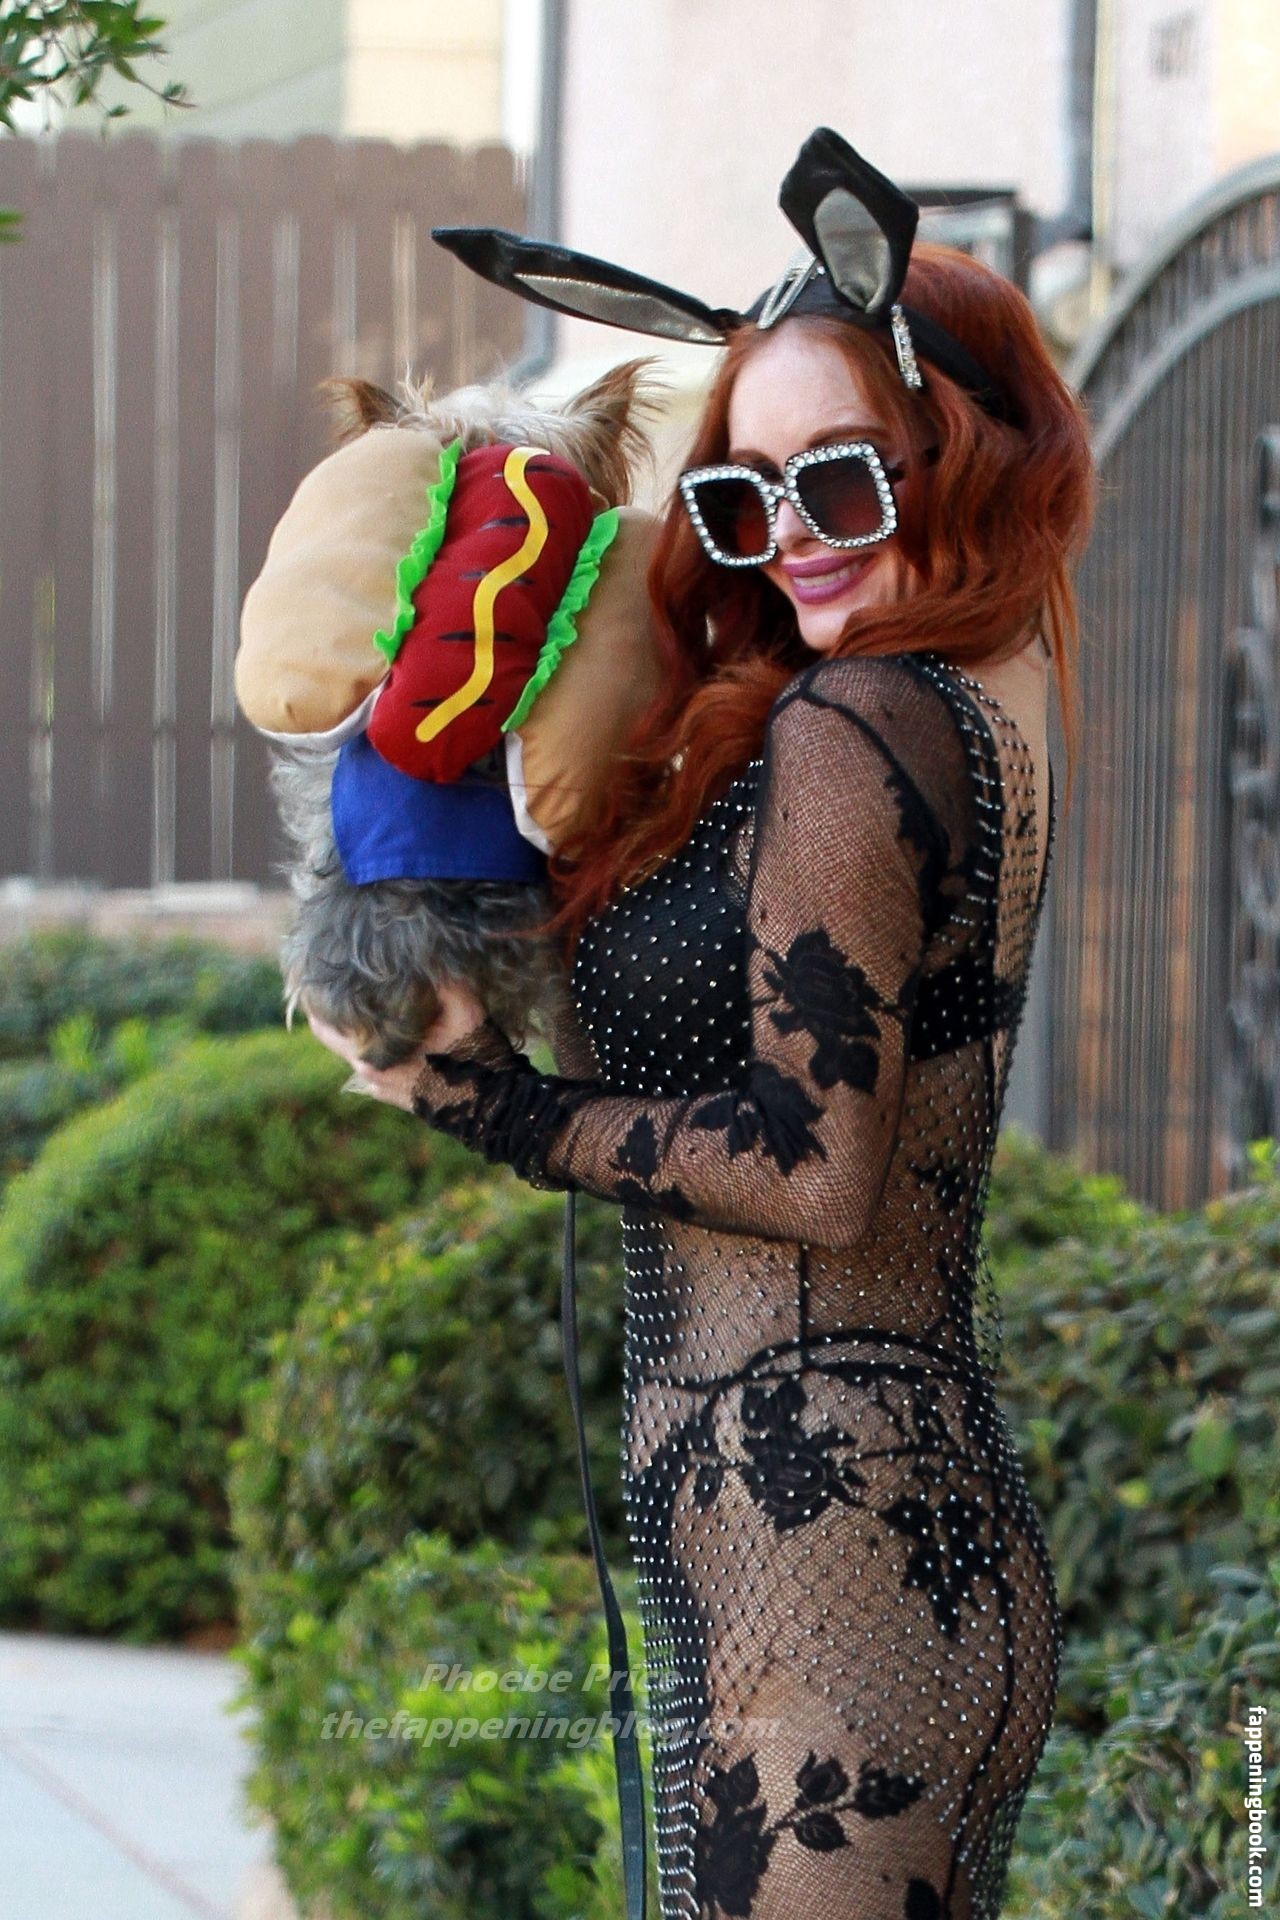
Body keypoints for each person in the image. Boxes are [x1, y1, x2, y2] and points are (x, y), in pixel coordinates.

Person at [308, 131, 1096, 1920]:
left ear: (964, 458)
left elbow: (815, 1173)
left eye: (841, 480)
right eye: (744, 498)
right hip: (844, 1539)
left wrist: (491, 1105)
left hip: (832, 1559)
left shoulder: (862, 721)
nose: (790, 538)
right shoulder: (949, 702)